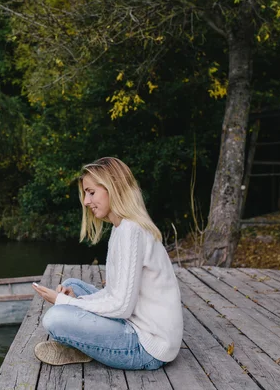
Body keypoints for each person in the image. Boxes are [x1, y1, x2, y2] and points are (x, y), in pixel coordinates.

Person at [32, 157, 183, 370]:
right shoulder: (120, 227)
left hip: (148, 346)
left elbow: (121, 306)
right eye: (86, 193)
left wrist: (65, 303)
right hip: (133, 319)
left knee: (55, 318)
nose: (86, 201)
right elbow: (115, 293)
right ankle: (91, 344)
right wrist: (75, 299)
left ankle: (87, 346)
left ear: (113, 188)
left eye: (91, 192)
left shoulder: (131, 231)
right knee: (73, 285)